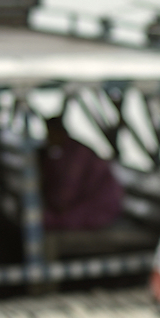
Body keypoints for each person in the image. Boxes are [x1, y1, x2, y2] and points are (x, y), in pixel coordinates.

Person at [36, 111, 137, 260]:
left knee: (46, 221)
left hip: (101, 208)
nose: (48, 138)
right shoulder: (65, 152)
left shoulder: (76, 155)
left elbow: (66, 195)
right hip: (93, 204)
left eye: (50, 133)